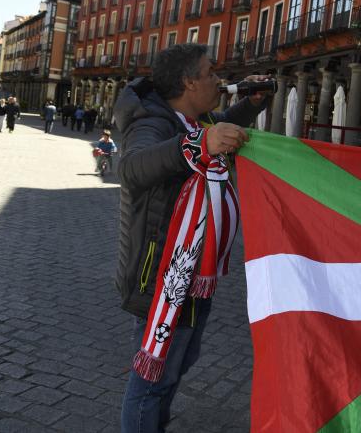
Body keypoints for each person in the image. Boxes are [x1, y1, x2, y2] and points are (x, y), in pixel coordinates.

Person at [114, 43, 270, 433]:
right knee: (152, 380)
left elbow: (220, 129)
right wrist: (199, 145)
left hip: (193, 270)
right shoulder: (153, 121)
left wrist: (250, 105)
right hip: (161, 273)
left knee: (177, 364)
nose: (219, 80)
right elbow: (133, 167)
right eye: (211, 73)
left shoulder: (192, 121)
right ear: (188, 82)